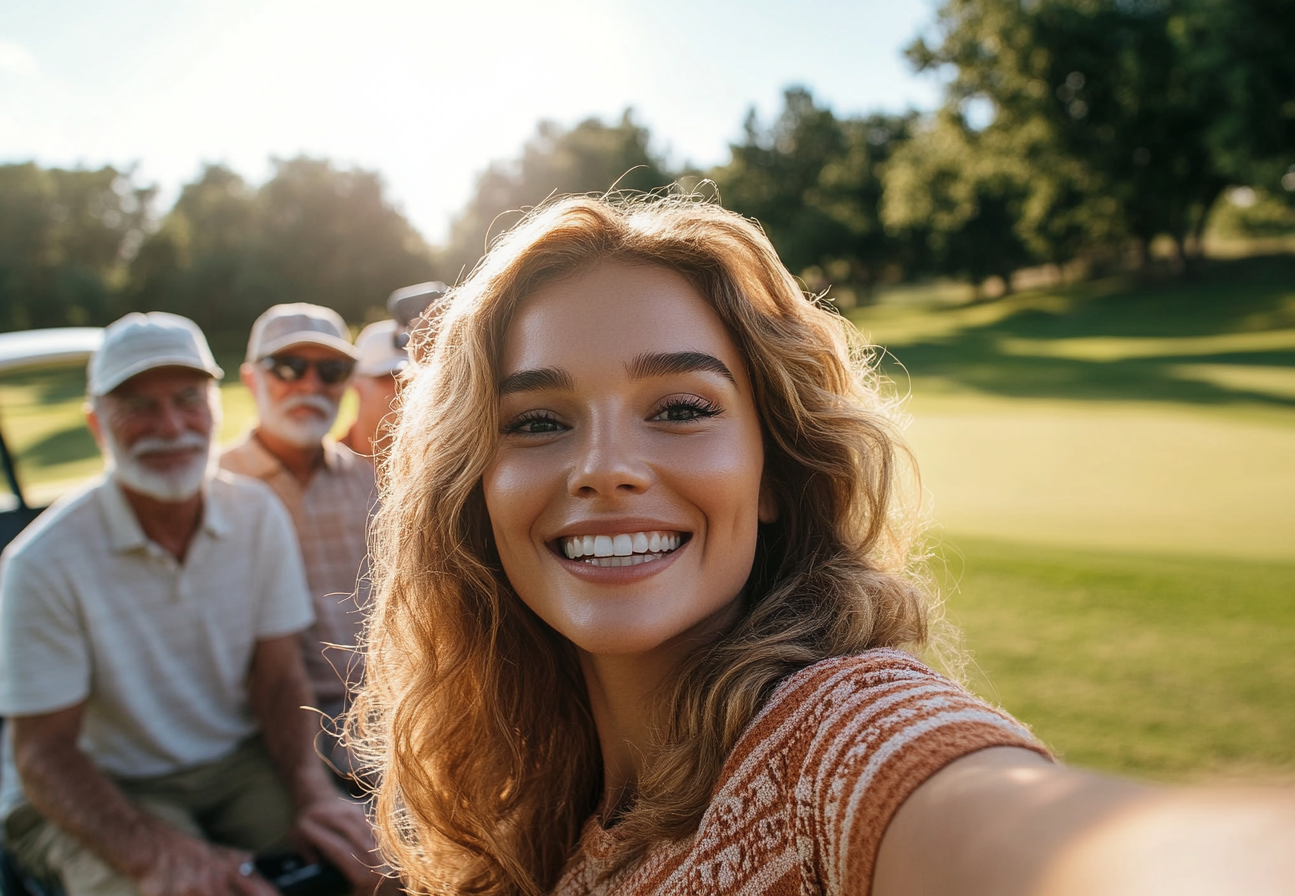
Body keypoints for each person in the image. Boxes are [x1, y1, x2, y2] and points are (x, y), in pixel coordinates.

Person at [351, 195, 1295, 896]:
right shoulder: (544, 806)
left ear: (776, 476)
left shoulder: (833, 743)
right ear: (475, 489)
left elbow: (1075, 851)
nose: (604, 469)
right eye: (538, 420)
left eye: (681, 409)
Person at [0, 312, 376, 896]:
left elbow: (278, 681)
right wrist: (155, 855)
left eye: (188, 399)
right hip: (98, 784)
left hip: (234, 763)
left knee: (372, 866)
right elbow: (44, 755)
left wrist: (311, 790)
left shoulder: (255, 514)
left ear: (216, 408)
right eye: (138, 406)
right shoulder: (40, 562)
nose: (170, 426)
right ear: (98, 425)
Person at [220, 303, 375, 768]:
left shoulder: (371, 485)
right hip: (279, 723)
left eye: (331, 370)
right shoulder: (213, 489)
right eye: (289, 367)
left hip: (393, 706)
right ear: (251, 380)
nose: (310, 385)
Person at [339, 319, 411, 460]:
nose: (406, 388)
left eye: (414, 378)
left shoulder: (439, 465)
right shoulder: (318, 468)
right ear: (355, 382)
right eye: (390, 377)